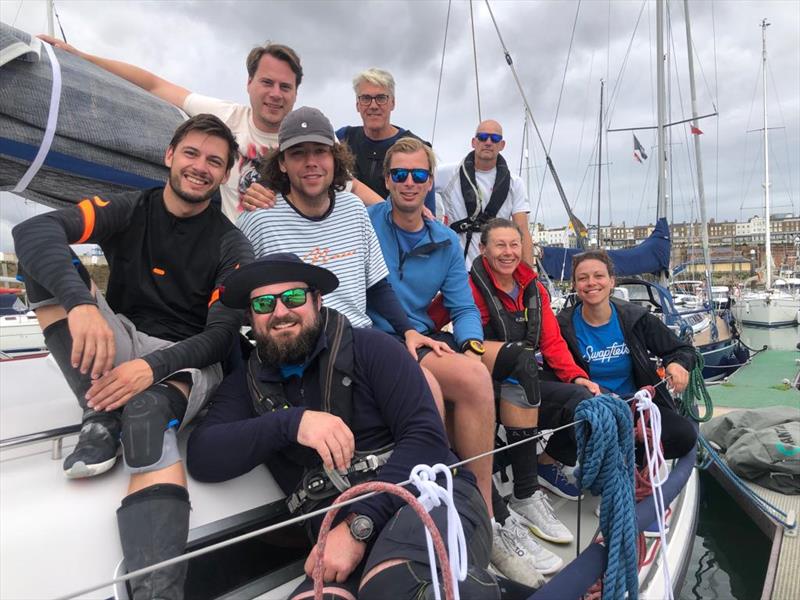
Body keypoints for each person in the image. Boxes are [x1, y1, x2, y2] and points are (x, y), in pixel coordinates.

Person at [12, 114, 254, 599]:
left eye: (214, 161)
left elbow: (221, 337)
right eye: (191, 154)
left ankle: (156, 592)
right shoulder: (130, 209)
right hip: (121, 341)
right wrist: (81, 304)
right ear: (169, 155)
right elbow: (35, 232)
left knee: (146, 414)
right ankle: (100, 411)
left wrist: (151, 368)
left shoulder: (232, 244)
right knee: (41, 264)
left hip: (186, 358)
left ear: (225, 175)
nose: (199, 167)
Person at [186, 253, 500, 600]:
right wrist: (292, 422)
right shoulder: (244, 386)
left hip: (430, 500)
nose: (279, 313)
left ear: (317, 301)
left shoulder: (374, 349)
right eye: (263, 303)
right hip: (335, 537)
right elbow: (203, 456)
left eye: (293, 298)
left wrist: (356, 527)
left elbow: (427, 441)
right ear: (251, 317)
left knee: (396, 587)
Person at [368, 139, 562, 587]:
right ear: (387, 180)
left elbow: (463, 309)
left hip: (426, 337)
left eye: (419, 175)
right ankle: (434, 523)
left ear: (431, 181)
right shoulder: (366, 223)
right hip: (379, 338)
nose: (410, 182)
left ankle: (494, 517)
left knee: (510, 363)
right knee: (434, 389)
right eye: (400, 174)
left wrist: (471, 345)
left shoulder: (444, 241)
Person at [37, 36, 380, 221]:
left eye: (285, 87)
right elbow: (155, 85)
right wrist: (81, 56)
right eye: (267, 82)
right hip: (235, 250)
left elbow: (351, 187)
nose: (275, 94)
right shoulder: (227, 118)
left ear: (295, 93)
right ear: (249, 83)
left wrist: (408, 213)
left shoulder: (307, 140)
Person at [238, 106, 444, 361]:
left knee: (439, 385)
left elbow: (377, 286)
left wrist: (408, 330)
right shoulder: (258, 218)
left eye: (320, 151)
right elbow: (239, 302)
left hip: (358, 342)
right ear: (282, 163)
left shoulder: (354, 208)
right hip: (295, 353)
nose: (311, 162)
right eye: (298, 154)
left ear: (335, 159)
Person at [555, 249, 698, 467]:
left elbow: (683, 350)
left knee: (683, 435)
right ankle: (611, 451)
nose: (591, 283)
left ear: (612, 281)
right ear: (575, 286)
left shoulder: (636, 318)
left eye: (599, 276)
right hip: (590, 411)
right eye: (583, 278)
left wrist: (677, 364)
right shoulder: (561, 326)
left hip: (634, 407)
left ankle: (626, 455)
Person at [435, 120, 534, 267]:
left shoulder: (515, 183)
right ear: (474, 142)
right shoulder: (448, 174)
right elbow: (416, 183)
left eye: (494, 139)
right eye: (482, 137)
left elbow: (522, 231)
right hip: (457, 266)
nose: (488, 142)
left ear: (502, 145)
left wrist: (528, 277)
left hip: (497, 267)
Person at [336, 68, 436, 213]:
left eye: (381, 98)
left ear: (393, 103)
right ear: (357, 105)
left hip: (395, 233)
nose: (374, 105)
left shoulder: (417, 149)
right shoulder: (343, 139)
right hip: (349, 231)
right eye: (366, 98)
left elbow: (427, 211)